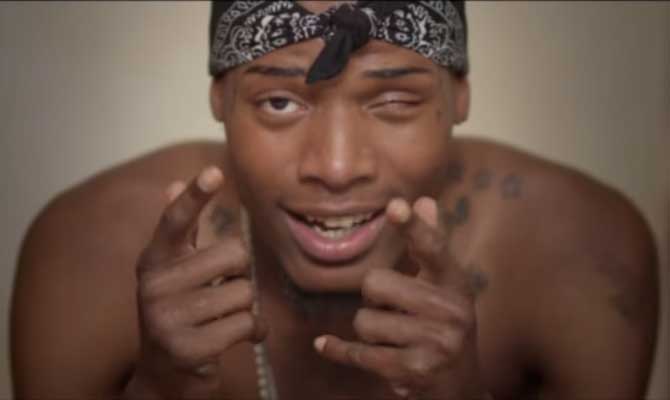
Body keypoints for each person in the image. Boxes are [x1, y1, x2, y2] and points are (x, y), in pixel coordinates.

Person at [10, 1, 659, 399]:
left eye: (394, 101)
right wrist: (159, 391)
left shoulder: (583, 256)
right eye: (280, 102)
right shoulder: (87, 252)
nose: (337, 167)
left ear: (459, 95)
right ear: (220, 97)